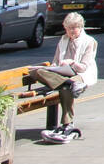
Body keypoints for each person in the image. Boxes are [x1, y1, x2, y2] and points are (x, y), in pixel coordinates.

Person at [26, 12, 98, 144]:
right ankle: (69, 83)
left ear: (80, 27)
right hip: (63, 75)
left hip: (80, 75)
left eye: (73, 28)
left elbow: (83, 67)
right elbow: (55, 61)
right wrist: (53, 68)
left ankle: (67, 123)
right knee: (36, 72)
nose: (70, 32)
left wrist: (71, 62)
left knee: (65, 89)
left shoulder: (89, 42)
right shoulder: (63, 40)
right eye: (68, 28)